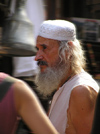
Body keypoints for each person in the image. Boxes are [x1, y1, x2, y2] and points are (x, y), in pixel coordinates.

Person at [34, 20, 100, 134]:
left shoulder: (80, 91)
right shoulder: (64, 86)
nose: (37, 57)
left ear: (67, 51)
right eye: (37, 49)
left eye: (44, 48)